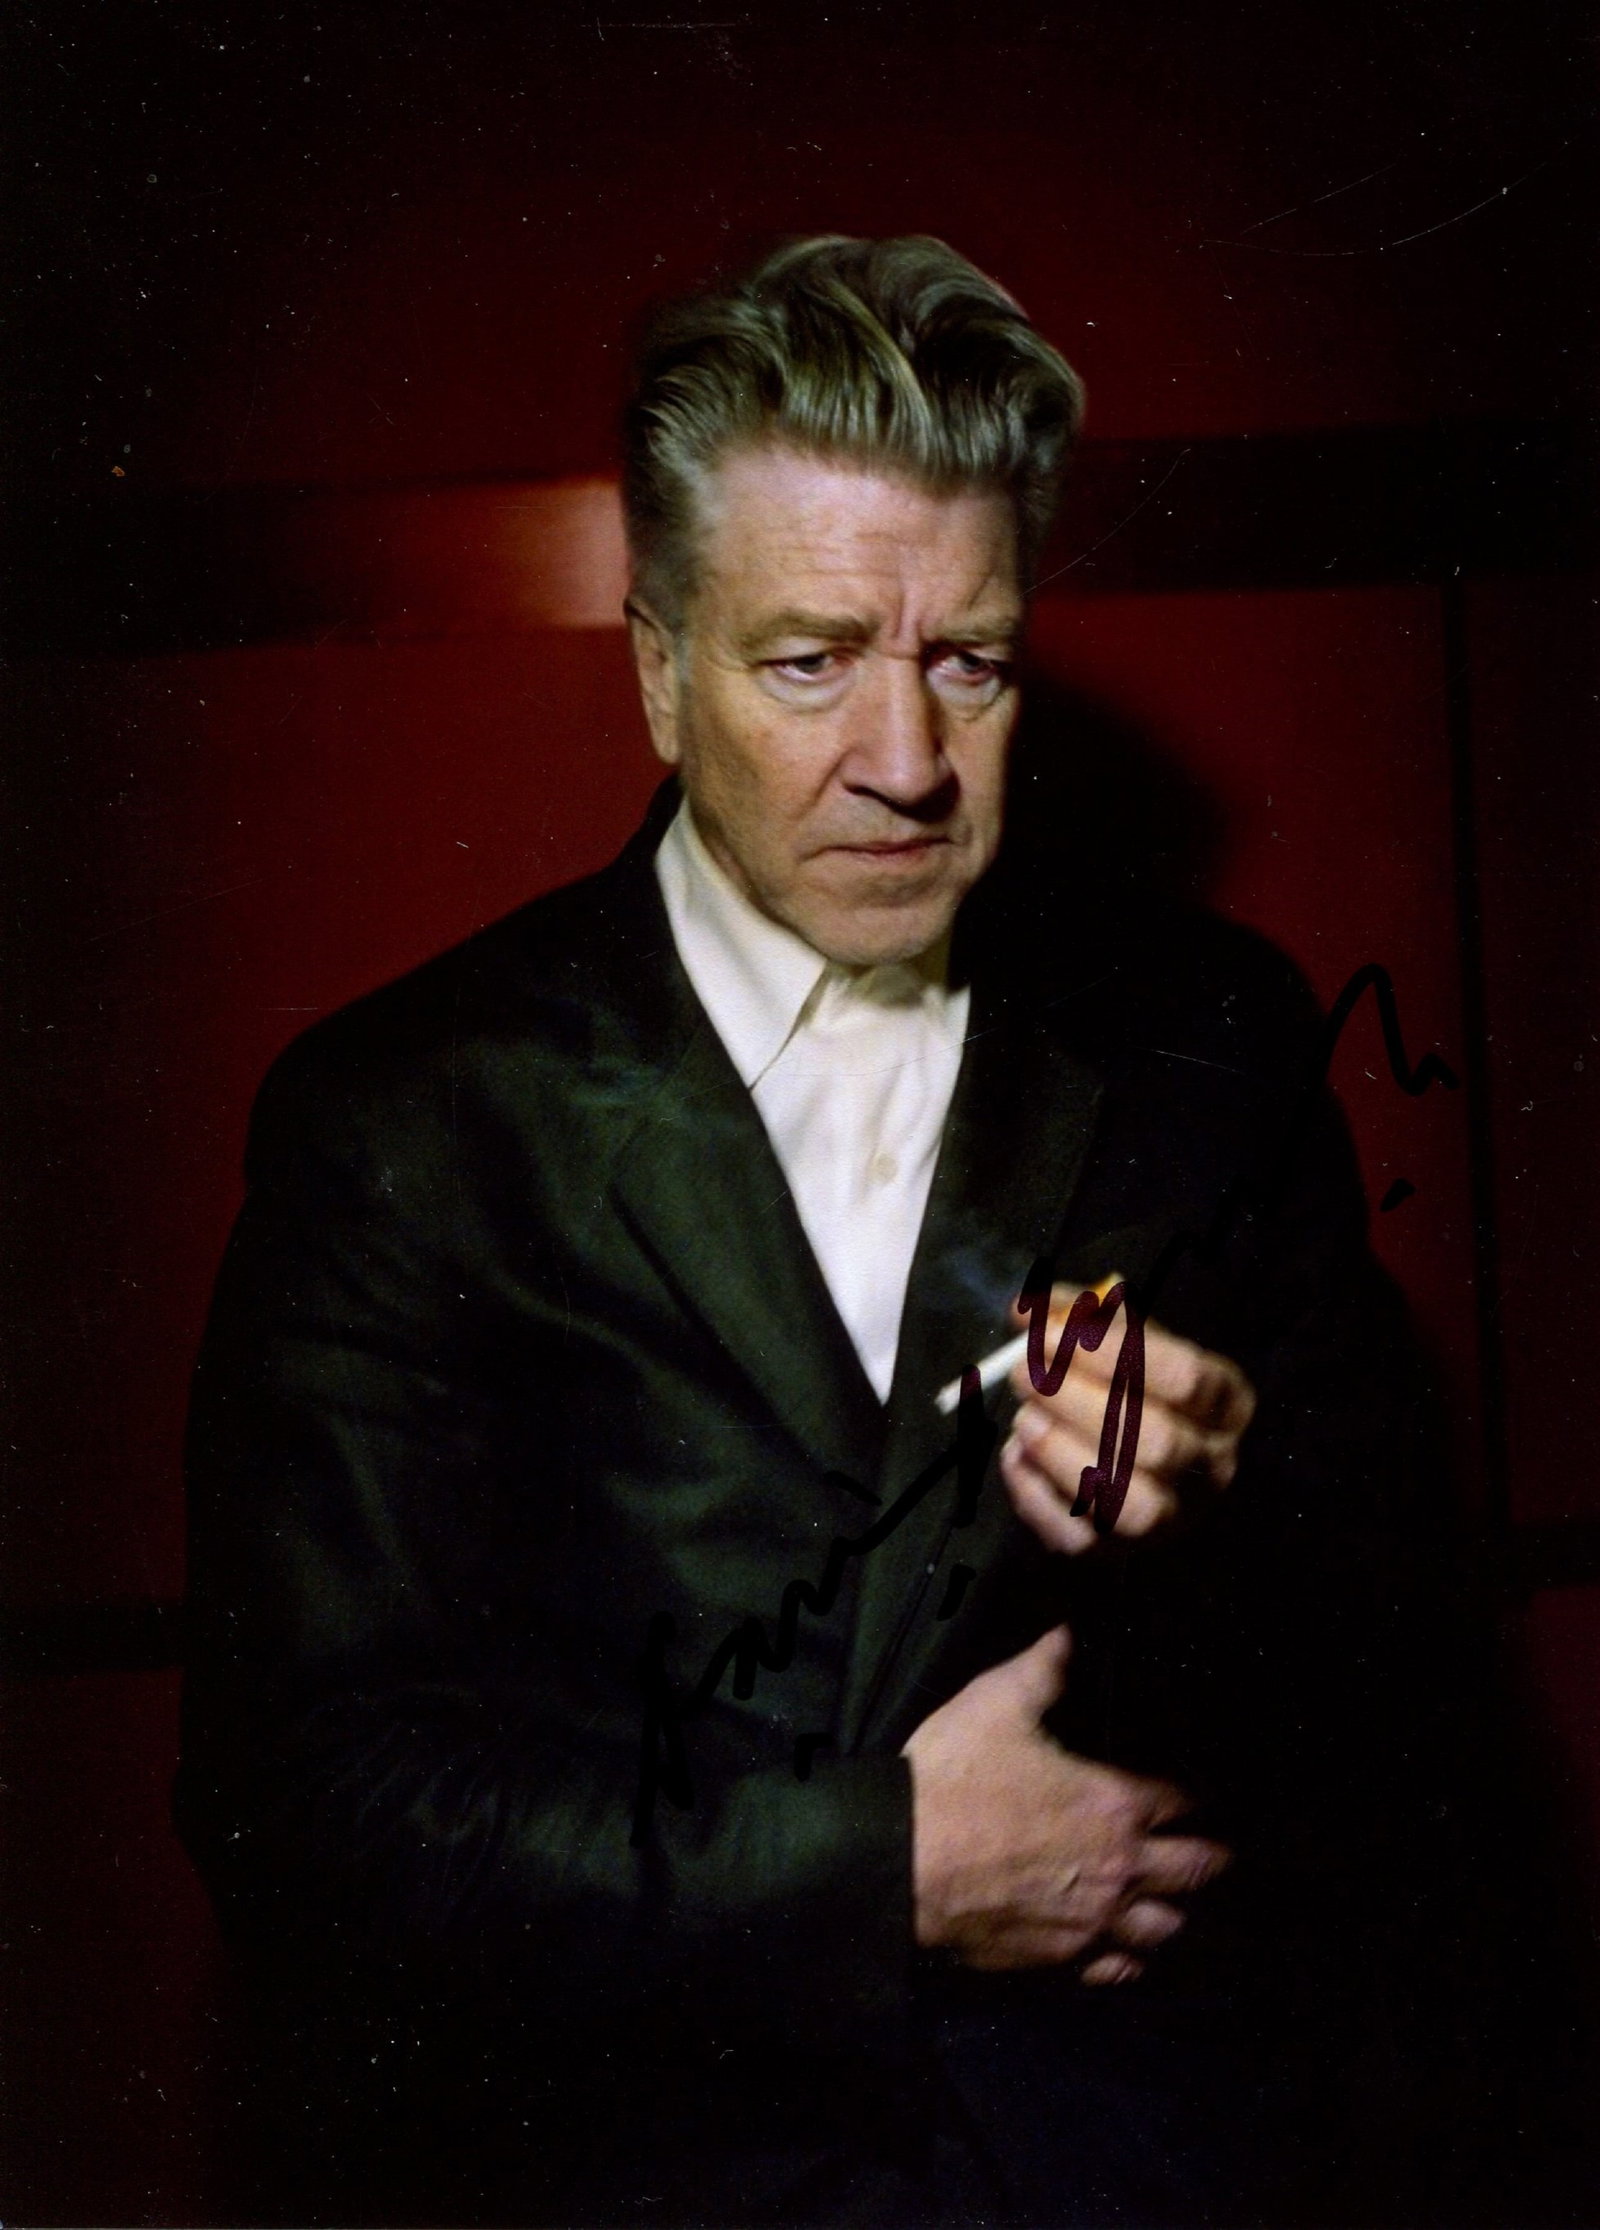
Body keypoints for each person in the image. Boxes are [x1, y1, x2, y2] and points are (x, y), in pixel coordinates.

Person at [177, 236, 1493, 2228]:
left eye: (968, 660)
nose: (904, 761)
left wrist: (1231, 1478)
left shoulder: (1209, 1034)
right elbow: (305, 1817)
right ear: (655, 667)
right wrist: (878, 1872)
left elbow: (1403, 1681)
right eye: (808, 660)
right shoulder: (407, 1121)